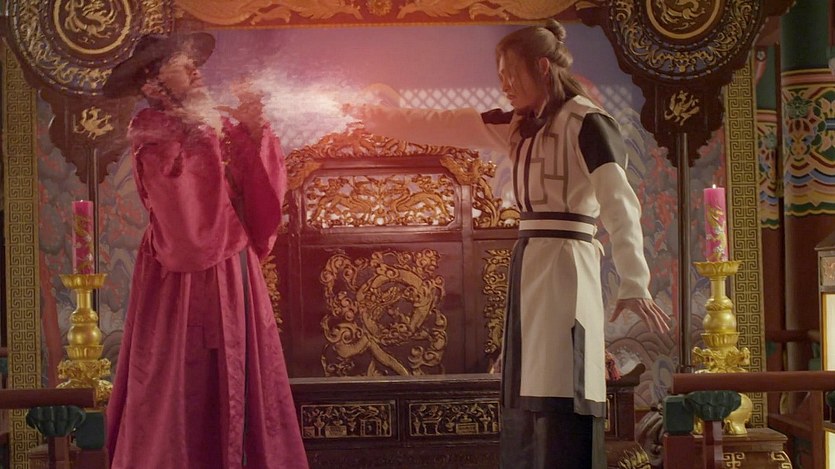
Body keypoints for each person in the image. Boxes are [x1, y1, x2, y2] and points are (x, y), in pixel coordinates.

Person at [345, 19, 670, 469]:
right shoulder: (517, 125)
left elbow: (620, 203)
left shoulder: (588, 123)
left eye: (511, 73)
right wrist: (375, 116)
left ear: (542, 67)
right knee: (527, 386)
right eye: (500, 75)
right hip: (529, 261)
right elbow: (443, 124)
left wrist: (634, 281)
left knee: (565, 382)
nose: (504, 85)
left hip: (568, 263)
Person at [102, 32, 308, 468]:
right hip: (181, 283)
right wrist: (206, 132)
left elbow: (261, 204)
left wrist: (253, 131)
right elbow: (186, 223)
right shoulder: (152, 132)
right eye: (181, 64)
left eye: (193, 62)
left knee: (245, 382)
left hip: (234, 273)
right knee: (182, 386)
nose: (196, 71)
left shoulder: (215, 125)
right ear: (152, 83)